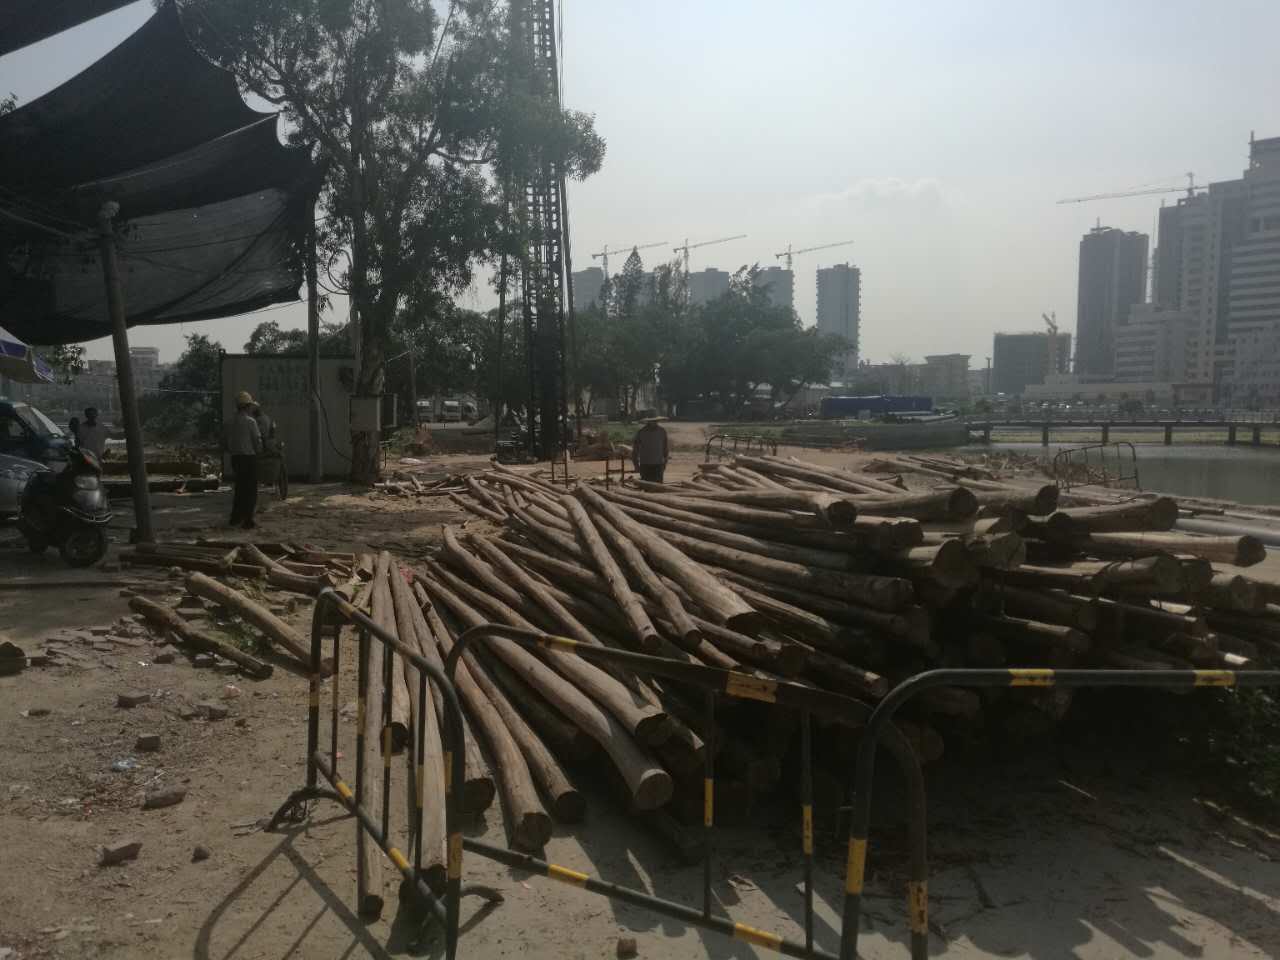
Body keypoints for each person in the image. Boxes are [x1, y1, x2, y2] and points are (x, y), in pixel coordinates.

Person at [226, 390, 262, 529]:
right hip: (249, 458)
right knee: (251, 490)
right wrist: (259, 452)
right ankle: (248, 520)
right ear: (247, 406)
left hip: (236, 459)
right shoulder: (251, 422)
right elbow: (257, 442)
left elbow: (224, 441)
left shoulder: (229, 422)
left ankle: (235, 518)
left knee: (240, 488)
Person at [631, 416, 669, 483]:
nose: (654, 422)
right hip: (645, 464)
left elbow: (665, 448)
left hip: (658, 464)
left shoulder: (662, 431)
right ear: (648, 421)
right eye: (652, 421)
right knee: (646, 485)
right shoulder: (641, 432)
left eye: (655, 421)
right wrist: (636, 464)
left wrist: (665, 463)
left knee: (658, 486)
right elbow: (635, 450)